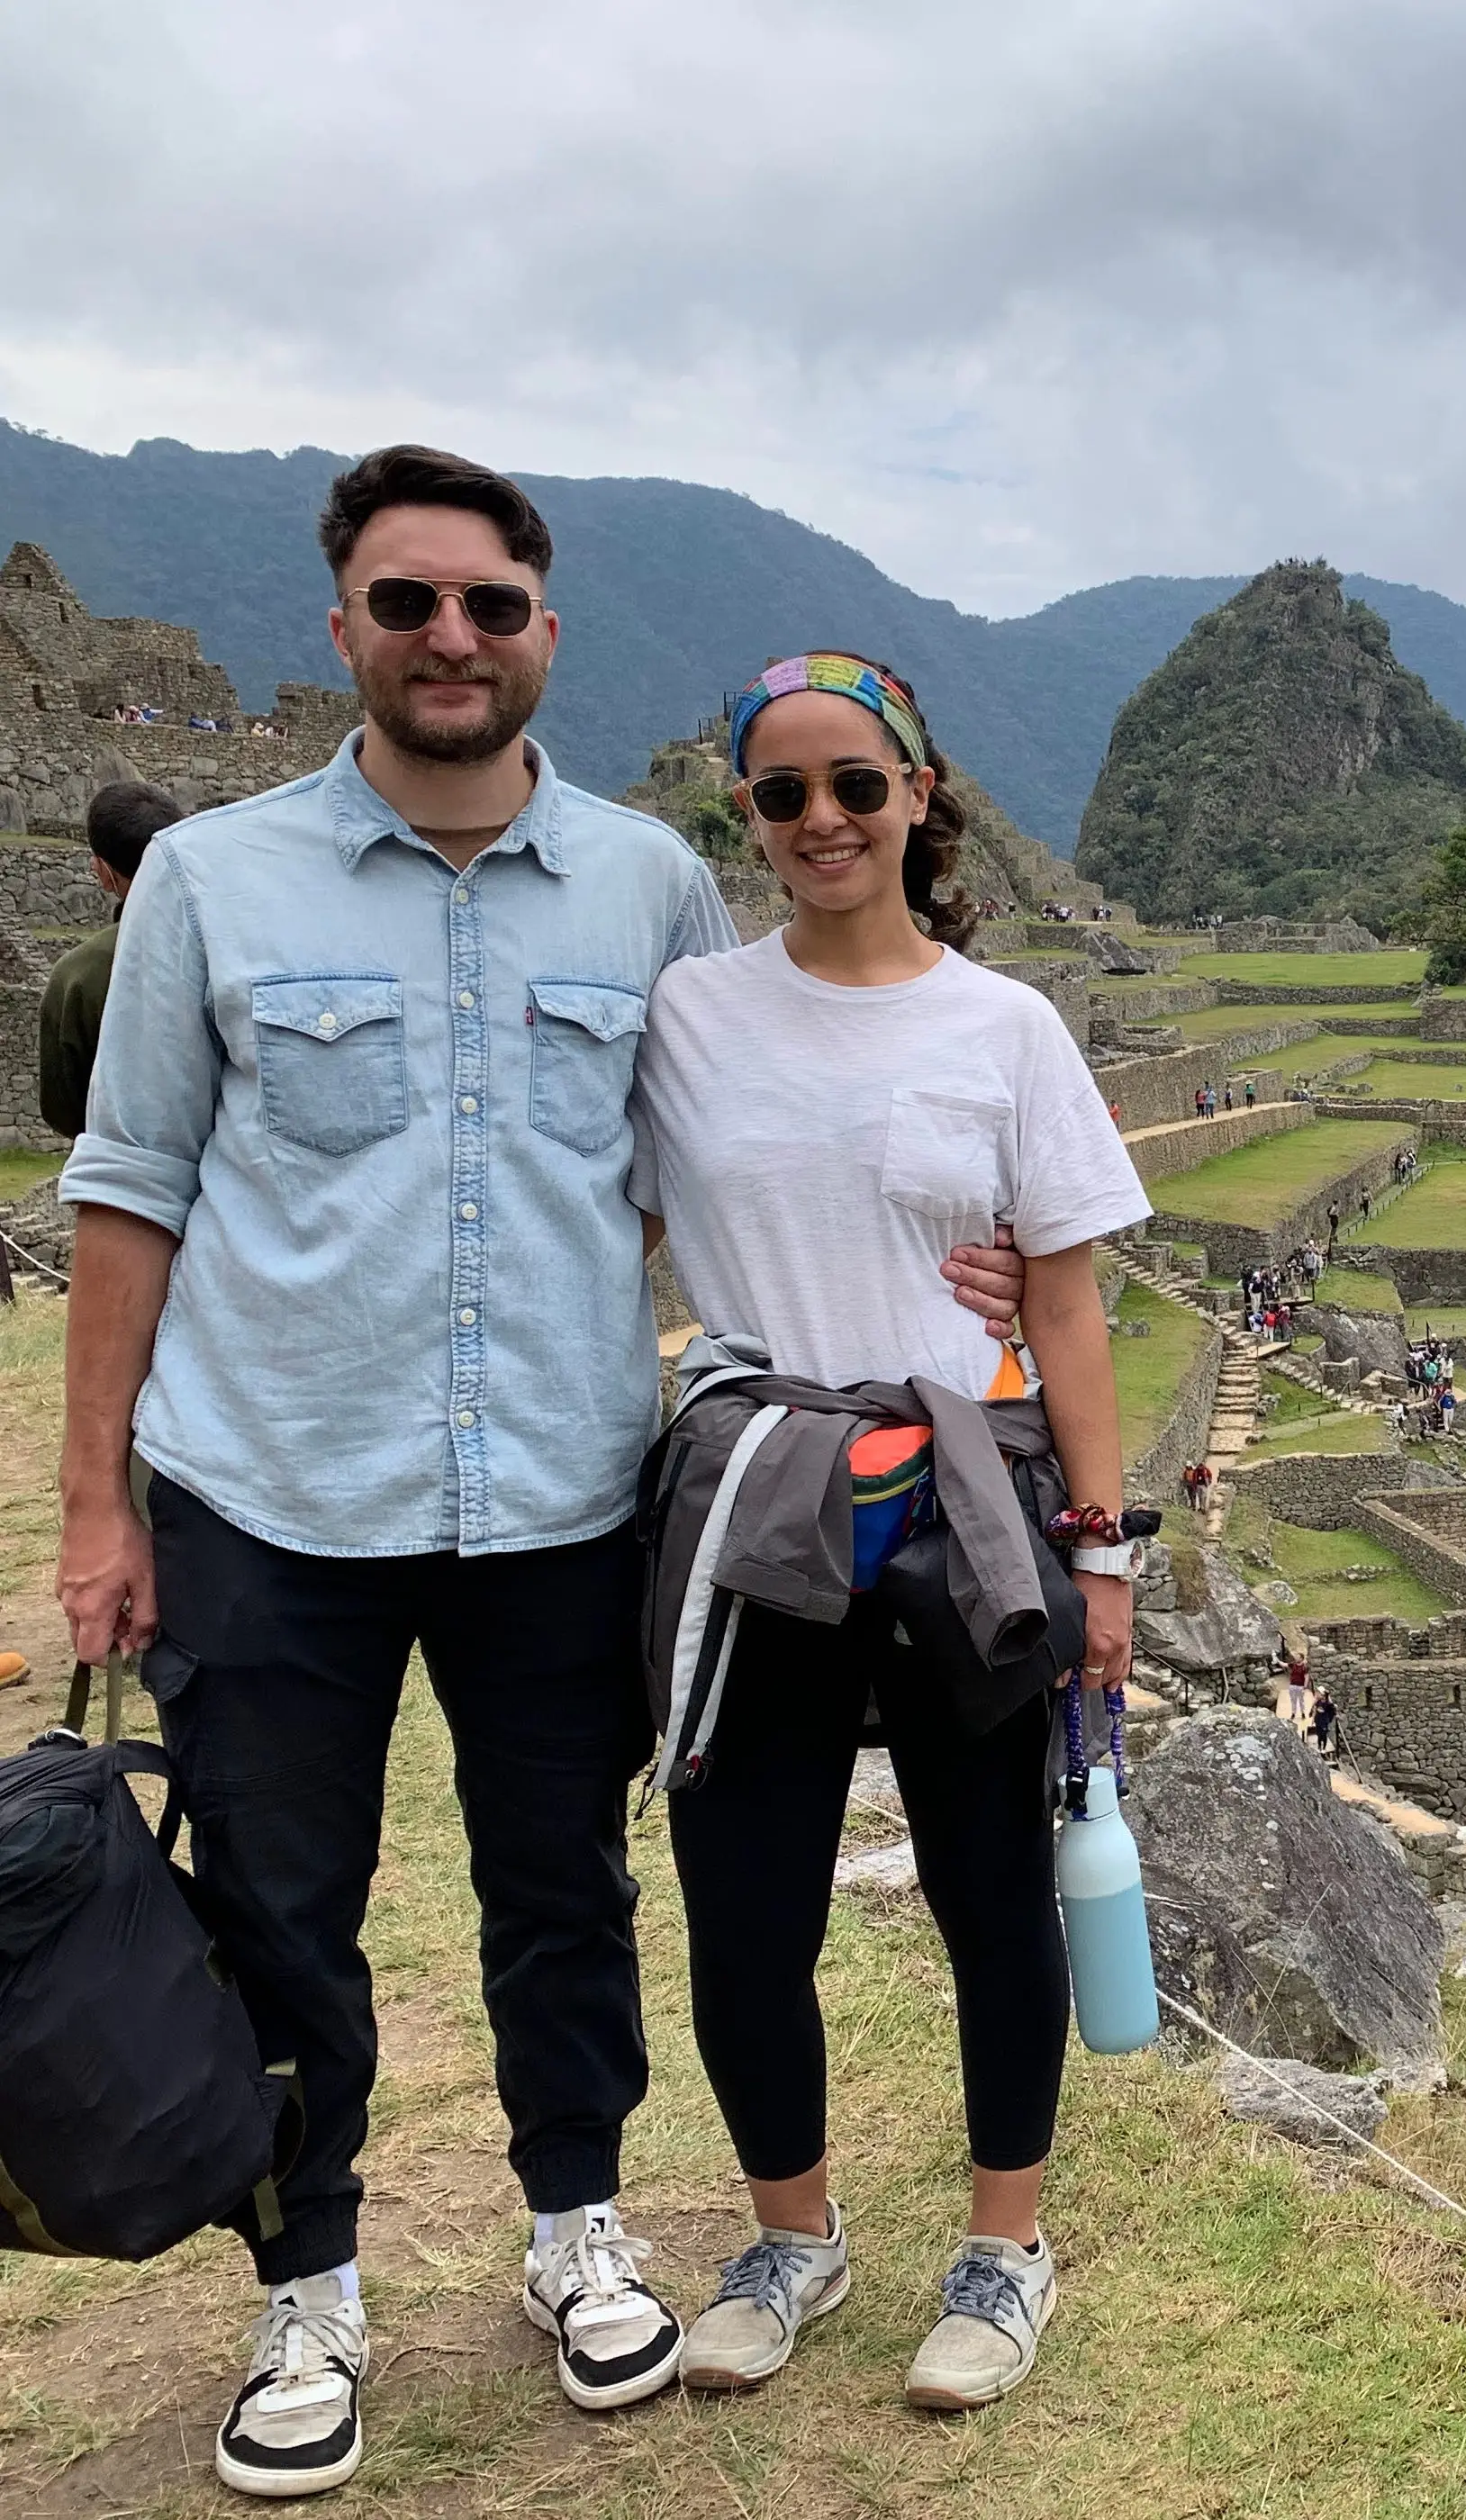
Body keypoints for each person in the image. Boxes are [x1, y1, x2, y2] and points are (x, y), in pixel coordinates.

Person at [54, 450, 1027, 2499]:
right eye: (408, 603)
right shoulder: (222, 882)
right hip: (270, 1490)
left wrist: (979, 1238)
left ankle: (576, 2221)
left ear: (543, 634)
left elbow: (742, 1147)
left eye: (489, 605)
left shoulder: (643, 884)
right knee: (282, 1901)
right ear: (346, 627)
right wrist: (92, 1501)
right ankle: (306, 2276)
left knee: (562, 1884)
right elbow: (129, 1194)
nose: (450, 638)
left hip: (561, 1494)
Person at [630, 651, 1151, 2414]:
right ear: (745, 816)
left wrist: (1103, 1553)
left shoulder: (1004, 1028)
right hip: (763, 1491)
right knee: (742, 1902)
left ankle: (1005, 2247)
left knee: (988, 1885)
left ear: (920, 792)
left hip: (966, 1493)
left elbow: (1068, 1310)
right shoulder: (688, 1016)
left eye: (857, 783)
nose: (823, 820)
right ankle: (792, 2235)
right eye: (783, 794)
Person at [36, 780, 185, 1138]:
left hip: (124, 1172)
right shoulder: (237, 943)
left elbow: (65, 1110)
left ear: (103, 871)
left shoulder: (80, 975)